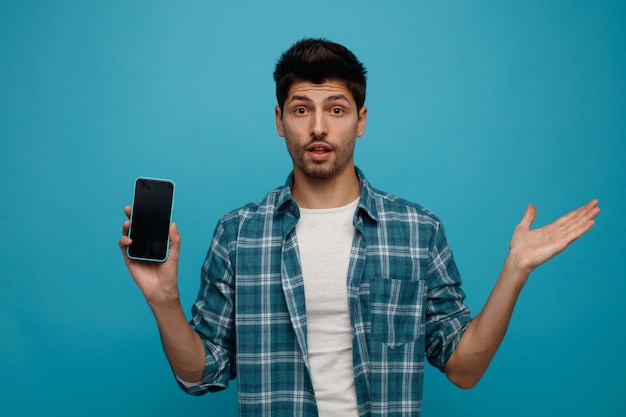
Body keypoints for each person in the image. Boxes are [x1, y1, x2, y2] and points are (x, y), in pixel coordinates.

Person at [119, 38, 600, 417]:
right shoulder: (238, 233)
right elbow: (202, 374)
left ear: (360, 120)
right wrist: (165, 303)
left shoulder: (418, 231)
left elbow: (464, 368)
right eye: (301, 109)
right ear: (280, 121)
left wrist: (514, 271)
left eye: (336, 108)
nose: (319, 128)